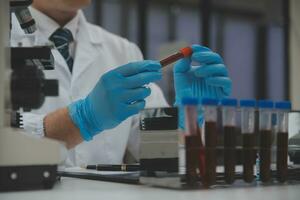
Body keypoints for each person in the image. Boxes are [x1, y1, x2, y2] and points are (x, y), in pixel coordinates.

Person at [11, 0, 232, 166]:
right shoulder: (8, 37)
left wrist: (189, 120)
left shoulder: (123, 51)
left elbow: (162, 159)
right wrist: (82, 120)